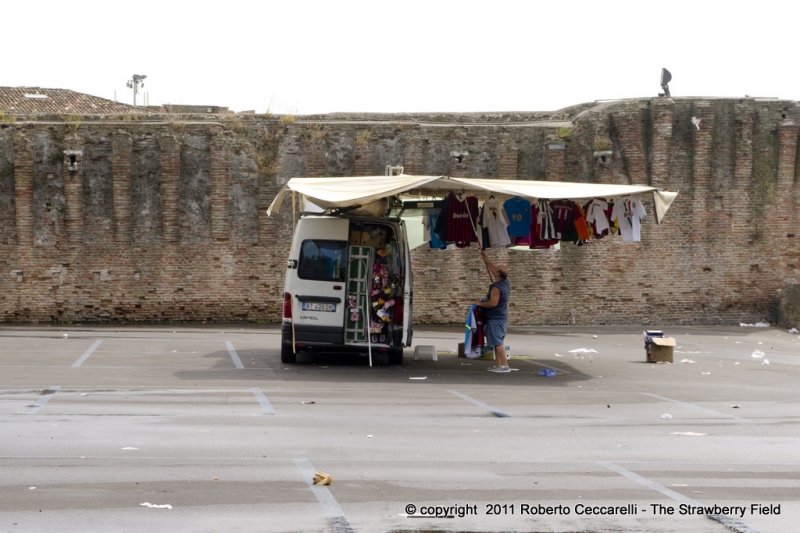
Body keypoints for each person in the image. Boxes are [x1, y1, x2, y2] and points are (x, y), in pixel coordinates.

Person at [472, 250, 511, 373]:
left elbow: (493, 303)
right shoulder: (505, 282)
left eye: (497, 269)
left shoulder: (496, 287)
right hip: (501, 318)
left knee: (498, 342)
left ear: (498, 274)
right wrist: (486, 259)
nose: (495, 269)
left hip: (495, 319)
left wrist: (480, 303)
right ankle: (497, 364)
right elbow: (494, 269)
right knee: (496, 341)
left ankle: (504, 365)